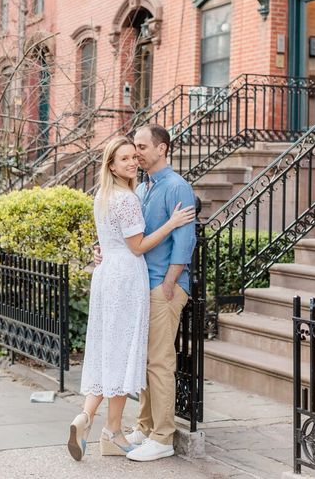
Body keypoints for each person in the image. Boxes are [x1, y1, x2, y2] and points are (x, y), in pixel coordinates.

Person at [67, 135, 195, 462]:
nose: (134, 157)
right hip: (131, 280)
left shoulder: (174, 186)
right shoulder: (137, 190)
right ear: (111, 165)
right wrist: (105, 252)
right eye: (126, 155)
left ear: (161, 148)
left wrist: (169, 282)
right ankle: (131, 428)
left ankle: (152, 434)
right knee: (132, 355)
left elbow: (184, 241)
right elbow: (131, 243)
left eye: (138, 149)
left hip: (153, 283)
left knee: (146, 358)